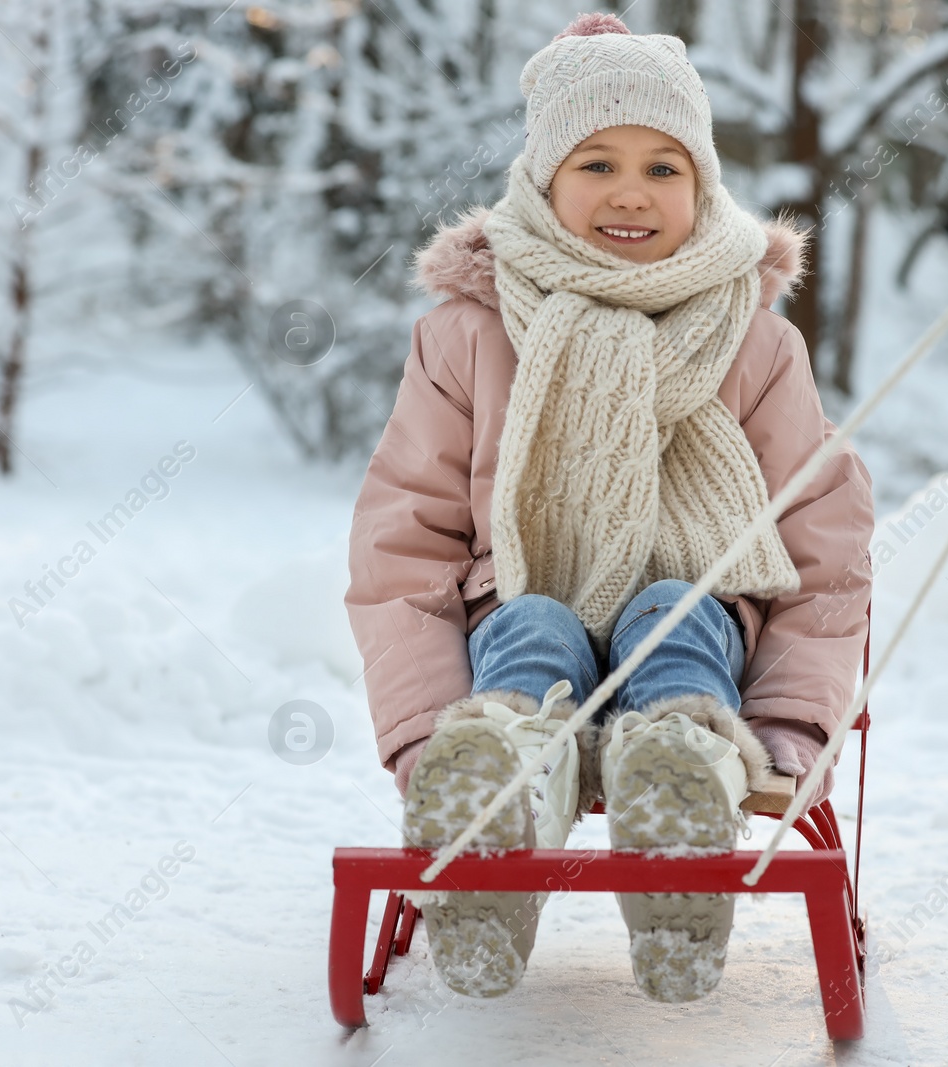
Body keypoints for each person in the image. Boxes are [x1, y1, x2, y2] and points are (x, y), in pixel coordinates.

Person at [343, 11, 873, 1005]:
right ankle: (497, 783)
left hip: (699, 622)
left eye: (663, 168)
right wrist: (420, 726)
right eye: (595, 163)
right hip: (518, 611)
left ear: (703, 185)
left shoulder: (753, 344)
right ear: (544, 180)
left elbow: (826, 549)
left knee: (670, 608)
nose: (630, 192)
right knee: (535, 620)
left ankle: (681, 770)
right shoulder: (467, 333)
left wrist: (794, 717)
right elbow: (401, 542)